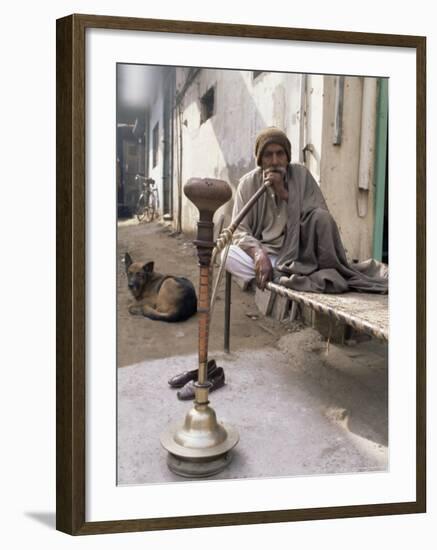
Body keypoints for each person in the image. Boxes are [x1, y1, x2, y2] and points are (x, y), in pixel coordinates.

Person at [224, 127, 388, 294]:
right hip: (267, 255)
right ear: (260, 160)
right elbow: (239, 231)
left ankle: (275, 278)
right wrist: (258, 254)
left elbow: (319, 215)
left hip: (299, 258)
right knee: (227, 255)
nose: (275, 161)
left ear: (287, 157)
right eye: (268, 155)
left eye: (280, 154)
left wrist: (284, 194)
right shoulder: (247, 184)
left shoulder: (301, 175)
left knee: (321, 217)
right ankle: (273, 275)